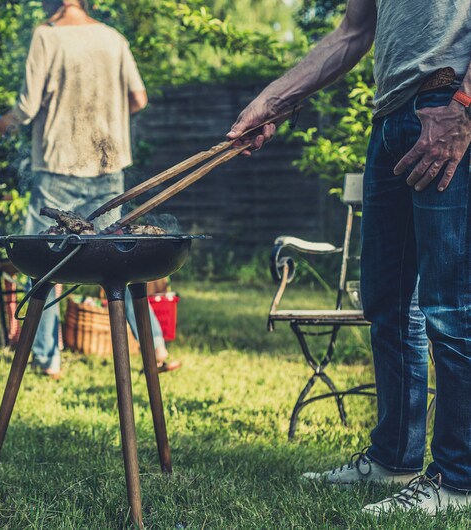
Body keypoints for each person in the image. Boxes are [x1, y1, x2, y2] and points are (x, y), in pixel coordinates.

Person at [227, 0, 471, 516]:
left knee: (451, 307)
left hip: (450, 107)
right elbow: (354, 31)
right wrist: (272, 100)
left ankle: (458, 480)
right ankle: (395, 458)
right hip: (390, 117)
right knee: (387, 302)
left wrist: (464, 105)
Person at [0, 0, 180, 379]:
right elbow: (138, 99)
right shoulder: (113, 38)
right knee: (119, 259)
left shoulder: (46, 37)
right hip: (106, 166)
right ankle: (155, 348)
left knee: (48, 263)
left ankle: (49, 359)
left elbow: (26, 110)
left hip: (58, 166)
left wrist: (0, 123)